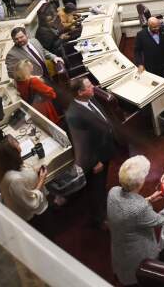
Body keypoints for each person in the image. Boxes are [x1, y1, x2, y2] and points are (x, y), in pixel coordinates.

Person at [108, 155, 164, 287]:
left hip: (119, 250)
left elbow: (128, 209)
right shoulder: (139, 208)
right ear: (139, 183)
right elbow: (160, 220)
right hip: (137, 258)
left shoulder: (113, 192)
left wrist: (150, 198)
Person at [65, 77, 116, 228]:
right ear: (80, 93)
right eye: (89, 86)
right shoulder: (74, 115)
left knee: (101, 186)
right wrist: (96, 161)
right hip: (94, 160)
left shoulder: (90, 99)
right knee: (96, 189)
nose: (93, 87)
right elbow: (82, 145)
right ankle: (99, 218)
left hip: (104, 151)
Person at [0, 135, 49, 222]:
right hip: (32, 217)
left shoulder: (7, 164)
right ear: (12, 153)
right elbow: (32, 202)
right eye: (15, 143)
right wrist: (41, 179)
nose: (18, 143)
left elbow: (23, 175)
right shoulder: (14, 180)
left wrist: (33, 171)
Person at [13, 59, 61, 124]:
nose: (32, 65)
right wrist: (40, 81)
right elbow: (52, 94)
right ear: (26, 69)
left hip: (33, 109)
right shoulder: (34, 81)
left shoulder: (17, 81)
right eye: (30, 65)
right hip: (44, 108)